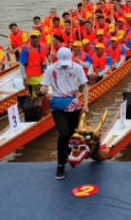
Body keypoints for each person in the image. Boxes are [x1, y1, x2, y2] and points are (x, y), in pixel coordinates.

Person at [40, 47, 89, 180]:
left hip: (73, 104)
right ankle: (61, 164)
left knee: (72, 130)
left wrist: (85, 104)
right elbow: (43, 86)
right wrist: (43, 89)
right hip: (57, 105)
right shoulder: (51, 69)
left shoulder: (77, 68)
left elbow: (84, 85)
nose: (65, 65)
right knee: (64, 134)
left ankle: (68, 150)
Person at [19, 30, 48, 109]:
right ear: (30, 38)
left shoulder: (43, 46)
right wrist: (24, 79)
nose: (34, 39)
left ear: (39, 37)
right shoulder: (26, 50)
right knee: (36, 97)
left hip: (42, 75)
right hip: (32, 76)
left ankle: (37, 111)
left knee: (41, 96)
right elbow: (21, 65)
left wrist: (48, 73)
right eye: (32, 37)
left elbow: (45, 59)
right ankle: (34, 113)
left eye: (36, 37)